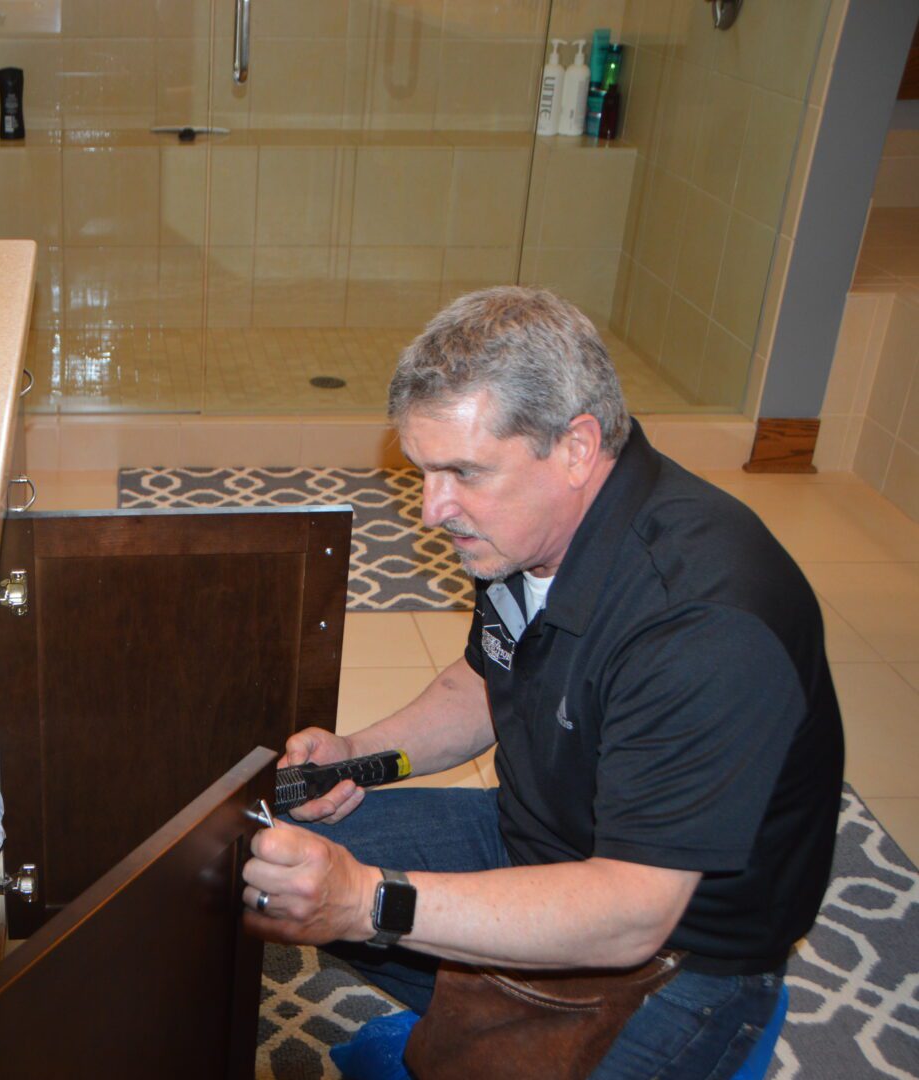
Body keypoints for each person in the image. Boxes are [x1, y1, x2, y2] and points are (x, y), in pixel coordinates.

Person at [241, 287, 843, 1077]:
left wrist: (366, 901)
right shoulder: (525, 533)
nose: (432, 510)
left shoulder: (704, 624)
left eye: (462, 472)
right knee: (266, 862)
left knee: (347, 894)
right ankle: (478, 1010)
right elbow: (485, 680)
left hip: (681, 958)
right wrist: (358, 752)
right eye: (424, 472)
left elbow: (630, 915)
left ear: (577, 447)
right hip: (537, 836)